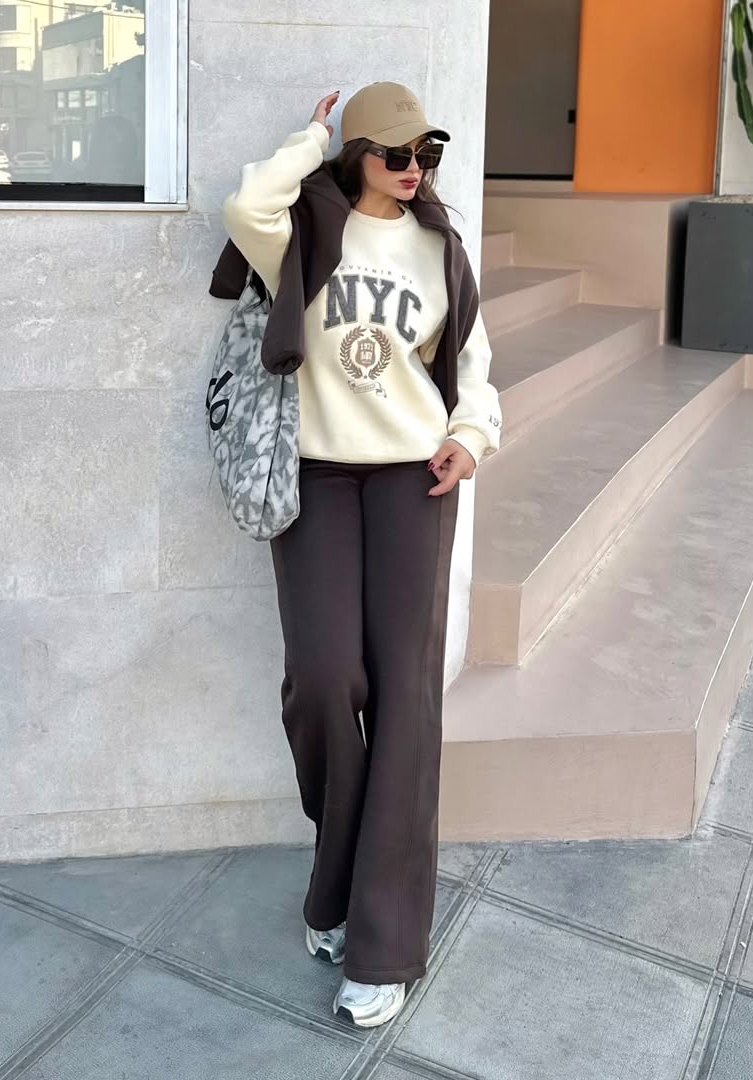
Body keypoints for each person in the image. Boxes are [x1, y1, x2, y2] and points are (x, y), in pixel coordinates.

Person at [220, 82, 501, 1028]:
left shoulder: (440, 246)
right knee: (325, 678)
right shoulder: (304, 230)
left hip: (414, 480)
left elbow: (473, 359)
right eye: (392, 152)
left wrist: (471, 435)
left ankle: (384, 947)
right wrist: (309, 137)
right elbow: (245, 206)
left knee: (408, 700)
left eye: (426, 152)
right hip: (316, 478)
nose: (412, 168)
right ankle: (336, 878)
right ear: (356, 155)